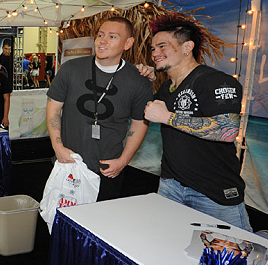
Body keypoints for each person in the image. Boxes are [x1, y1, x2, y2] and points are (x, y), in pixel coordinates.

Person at [140, 15, 252, 231]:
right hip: (171, 186)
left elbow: (227, 130)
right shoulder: (166, 89)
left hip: (212, 192)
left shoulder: (216, 81)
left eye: (162, 46)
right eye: (153, 48)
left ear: (187, 47)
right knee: (168, 248)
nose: (154, 53)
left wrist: (167, 117)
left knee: (237, 255)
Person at [46, 17, 153, 201]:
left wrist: (123, 161)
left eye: (112, 37)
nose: (103, 41)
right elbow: (54, 109)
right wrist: (58, 147)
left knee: (102, 224)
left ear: (128, 43)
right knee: (62, 221)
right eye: (100, 35)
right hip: (69, 163)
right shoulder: (71, 69)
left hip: (108, 169)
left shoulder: (138, 81)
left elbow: (139, 123)